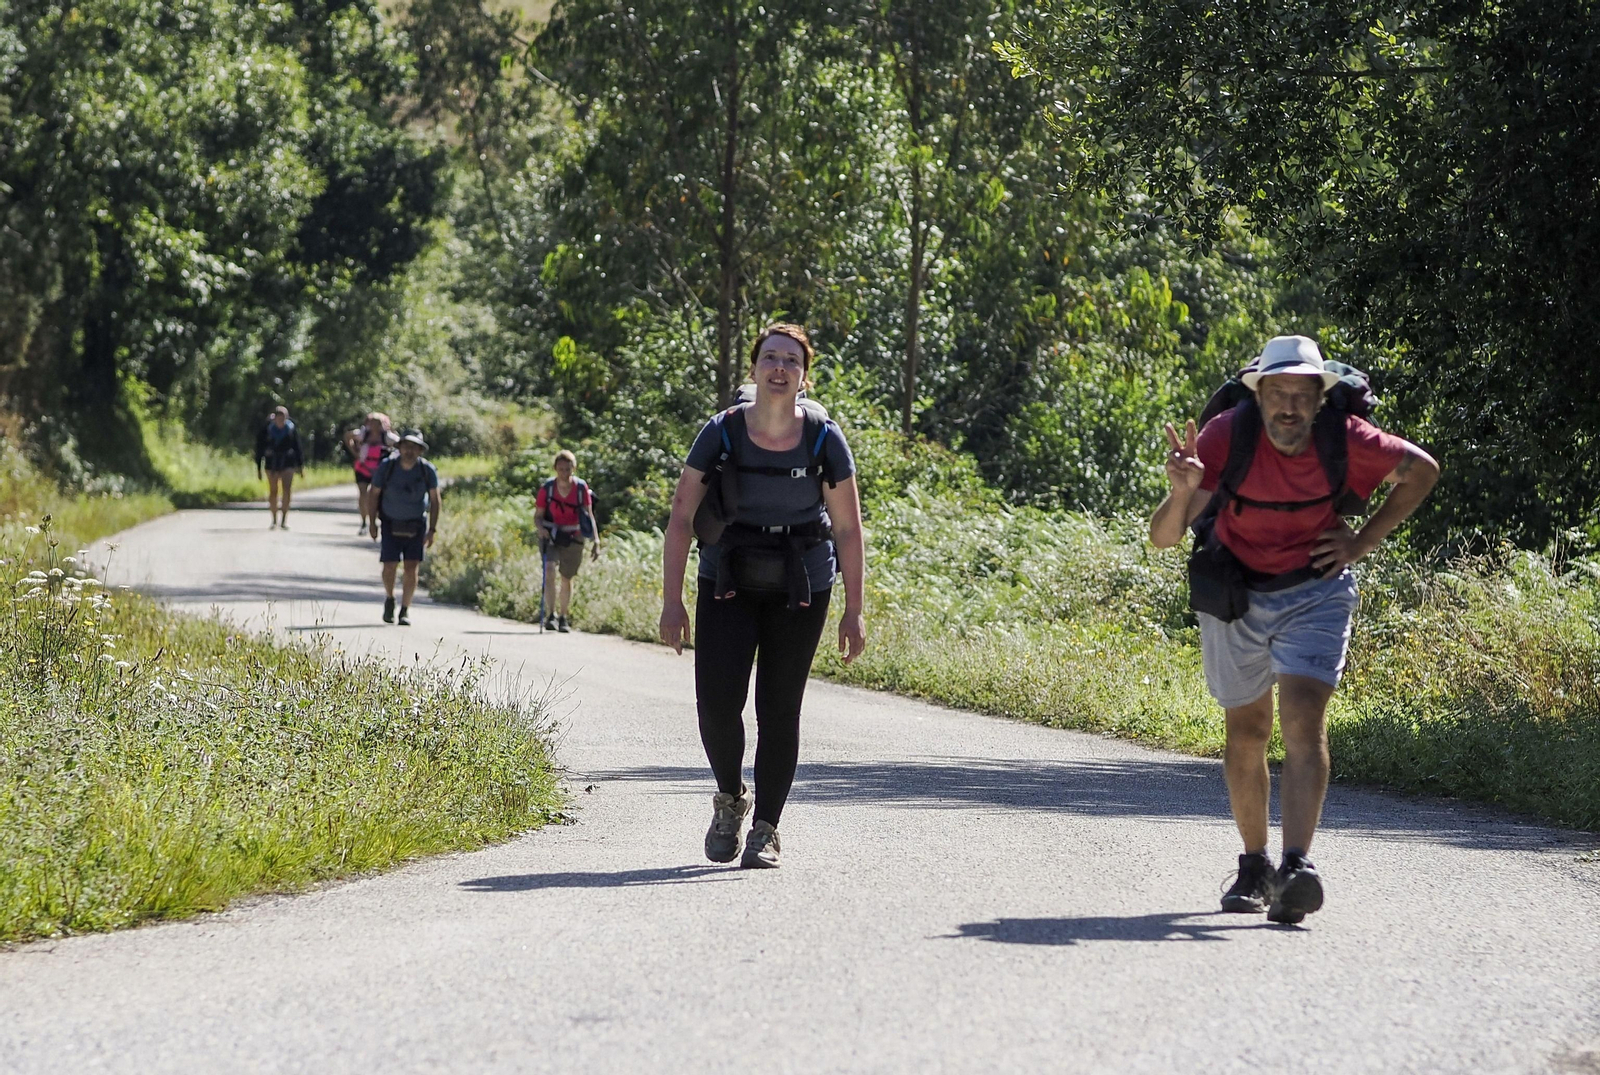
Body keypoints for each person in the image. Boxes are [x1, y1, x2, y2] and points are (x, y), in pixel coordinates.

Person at [1149, 335, 1439, 924]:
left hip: (1315, 590)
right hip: (1236, 593)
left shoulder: (1346, 438)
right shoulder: (1229, 435)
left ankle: (1297, 865)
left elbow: (1422, 472)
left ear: (1318, 399)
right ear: (1258, 397)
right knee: (1248, 731)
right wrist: (1182, 492)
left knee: (1305, 718)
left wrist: (1360, 542)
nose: (1288, 406)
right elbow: (1165, 537)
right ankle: (1254, 865)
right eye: (1276, 393)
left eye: (1300, 395)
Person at [659, 323, 867, 869]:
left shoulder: (824, 437)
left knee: (780, 710)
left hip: (802, 584)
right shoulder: (721, 431)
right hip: (728, 578)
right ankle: (730, 798)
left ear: (804, 375)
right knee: (717, 706)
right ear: (752, 370)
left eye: (791, 361)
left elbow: (847, 528)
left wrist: (855, 610)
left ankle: (767, 829)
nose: (780, 368)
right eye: (770, 358)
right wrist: (672, 600)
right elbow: (681, 515)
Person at [366, 431, 440, 627]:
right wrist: (372, 523)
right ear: (399, 448)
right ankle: (390, 598)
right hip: (390, 522)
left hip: (416, 524)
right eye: (406, 446)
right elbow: (373, 494)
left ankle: (405, 609)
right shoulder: (387, 467)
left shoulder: (427, 470)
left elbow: (435, 500)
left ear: (420, 450)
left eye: (414, 447)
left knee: (411, 567)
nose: (409, 451)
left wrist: (432, 529)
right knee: (389, 566)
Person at [535, 450, 602, 633]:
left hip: (574, 536)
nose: (564, 472)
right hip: (552, 535)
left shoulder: (580, 489)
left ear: (573, 468)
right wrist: (541, 529)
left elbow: (589, 515)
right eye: (561, 469)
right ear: (555, 468)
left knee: (566, 577)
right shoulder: (547, 488)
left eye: (568, 469)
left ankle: (563, 617)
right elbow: (538, 516)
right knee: (549, 571)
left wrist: (596, 541)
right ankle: (551, 615)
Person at [344, 412, 397, 534]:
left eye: (376, 423)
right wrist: (354, 452)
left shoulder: (387, 437)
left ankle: (376, 519)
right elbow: (348, 436)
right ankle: (364, 521)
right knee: (363, 493)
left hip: (380, 469)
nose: (372, 425)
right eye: (370, 422)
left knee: (376, 494)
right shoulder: (363, 434)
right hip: (363, 468)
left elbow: (400, 444)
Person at [254, 405, 305, 530]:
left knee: (287, 490)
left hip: (288, 462)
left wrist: (300, 466)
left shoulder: (291, 429)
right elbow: (259, 449)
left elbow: (298, 448)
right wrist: (259, 468)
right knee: (273, 491)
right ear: (275, 417)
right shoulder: (267, 430)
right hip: (272, 463)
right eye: (279, 417)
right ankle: (274, 519)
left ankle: (283, 520)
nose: (281, 419)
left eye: (283, 417)